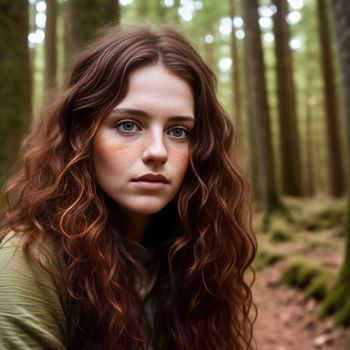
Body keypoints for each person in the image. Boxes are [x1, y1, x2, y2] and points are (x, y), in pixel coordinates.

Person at [0, 25, 256, 350]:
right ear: (82, 135)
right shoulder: (30, 263)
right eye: (128, 125)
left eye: (179, 131)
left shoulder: (193, 252)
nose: (158, 152)